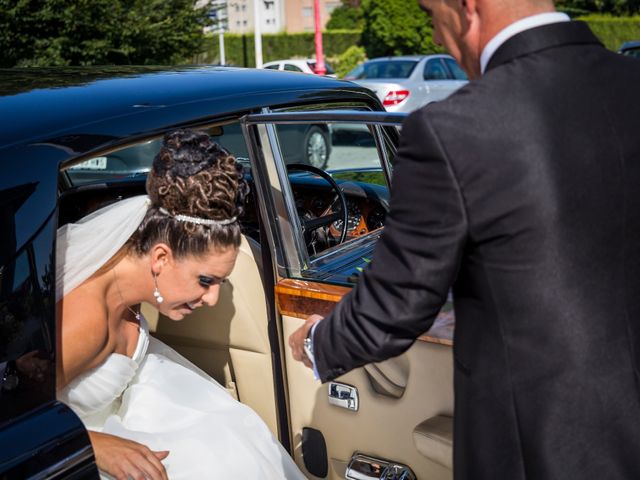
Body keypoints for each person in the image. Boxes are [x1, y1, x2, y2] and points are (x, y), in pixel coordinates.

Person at [290, 0, 640, 478]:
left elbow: (398, 304)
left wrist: (315, 341)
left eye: (433, 15)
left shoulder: (453, 130)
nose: (437, 37)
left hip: (542, 445)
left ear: (466, 8)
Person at [56, 129, 305, 480]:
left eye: (220, 282)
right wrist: (95, 446)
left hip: (120, 414)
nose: (213, 298)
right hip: (70, 450)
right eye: (205, 281)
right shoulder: (85, 322)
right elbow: (12, 426)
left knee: (232, 439)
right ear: (160, 257)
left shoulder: (127, 275)